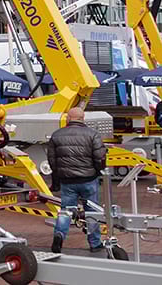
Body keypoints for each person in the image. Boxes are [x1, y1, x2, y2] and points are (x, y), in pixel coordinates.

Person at [47, 107, 107, 254]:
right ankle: (95, 243)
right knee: (92, 211)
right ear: (83, 118)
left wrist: (57, 178)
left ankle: (59, 235)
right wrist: (98, 171)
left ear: (68, 118)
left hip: (67, 180)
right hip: (88, 178)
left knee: (66, 211)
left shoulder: (57, 135)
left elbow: (52, 160)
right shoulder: (93, 135)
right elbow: (100, 157)